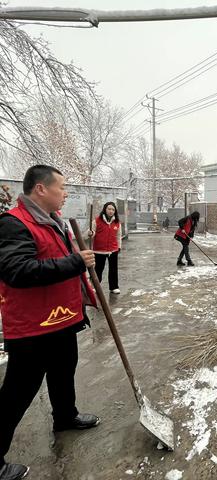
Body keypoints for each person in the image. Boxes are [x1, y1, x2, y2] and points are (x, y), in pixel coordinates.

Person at [0, 165, 100, 480]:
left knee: (63, 369)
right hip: (32, 327)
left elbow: (52, 259)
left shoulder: (52, 221)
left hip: (60, 319)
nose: (66, 193)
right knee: (19, 390)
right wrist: (75, 262)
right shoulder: (14, 224)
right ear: (41, 189)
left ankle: (65, 416)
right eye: (62, 187)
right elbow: (18, 271)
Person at [88, 202, 122, 294]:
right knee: (98, 269)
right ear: (105, 209)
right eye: (109, 209)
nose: (111, 211)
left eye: (113, 210)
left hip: (113, 249)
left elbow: (118, 236)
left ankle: (114, 287)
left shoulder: (117, 222)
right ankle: (95, 286)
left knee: (113, 270)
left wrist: (119, 247)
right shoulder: (97, 221)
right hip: (99, 250)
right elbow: (91, 232)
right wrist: (90, 233)